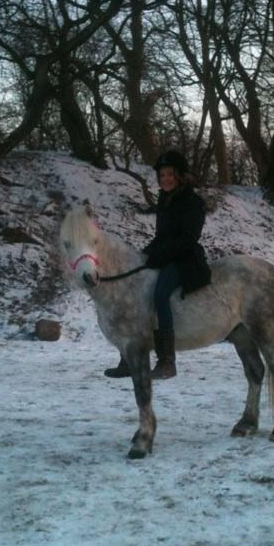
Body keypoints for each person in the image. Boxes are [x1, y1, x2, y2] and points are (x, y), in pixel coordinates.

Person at [104, 149, 211, 380]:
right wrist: (145, 254)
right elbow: (162, 236)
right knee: (137, 290)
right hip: (165, 256)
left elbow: (187, 239)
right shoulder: (165, 200)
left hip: (185, 259)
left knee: (161, 295)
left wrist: (160, 256)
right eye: (162, 175)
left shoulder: (193, 202)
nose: (165, 179)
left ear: (180, 176)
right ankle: (128, 356)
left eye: (169, 174)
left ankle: (167, 361)